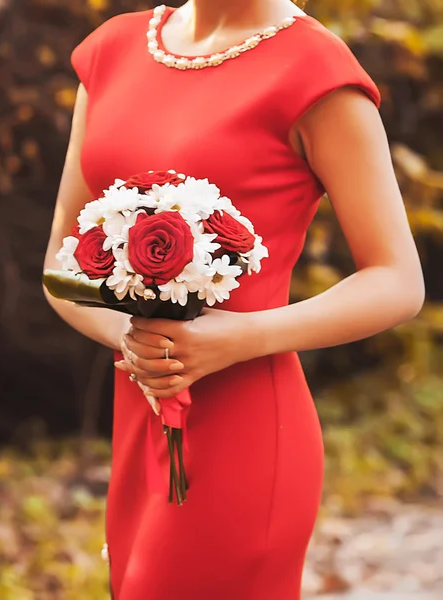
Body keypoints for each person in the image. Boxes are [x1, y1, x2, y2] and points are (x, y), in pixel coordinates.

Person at [43, 0, 425, 598]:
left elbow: (398, 280)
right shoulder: (112, 50)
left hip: (247, 427)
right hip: (140, 411)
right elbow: (60, 263)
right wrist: (132, 339)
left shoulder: (316, 72)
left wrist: (237, 337)